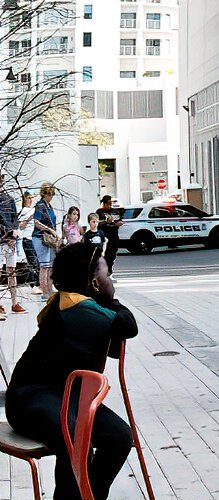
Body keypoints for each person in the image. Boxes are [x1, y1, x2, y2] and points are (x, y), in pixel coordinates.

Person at [6, 242, 137, 500]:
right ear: (92, 281)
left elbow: (112, 342)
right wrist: (110, 297)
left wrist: (105, 297)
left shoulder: (82, 303)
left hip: (67, 398)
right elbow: (128, 324)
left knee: (119, 437)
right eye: (105, 273)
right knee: (75, 438)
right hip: (31, 398)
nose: (110, 278)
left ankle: (90, 496)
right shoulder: (77, 308)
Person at [32, 183, 60, 297]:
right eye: (49, 194)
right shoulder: (40, 205)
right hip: (40, 237)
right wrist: (49, 230)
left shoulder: (49, 206)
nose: (51, 197)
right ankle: (44, 291)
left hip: (49, 239)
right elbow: (36, 222)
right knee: (44, 265)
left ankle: (49, 289)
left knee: (50, 265)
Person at [0, 180, 20, 316]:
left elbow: (15, 218)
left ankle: (15, 302)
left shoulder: (9, 199)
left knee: (11, 271)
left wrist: (13, 236)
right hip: (1, 240)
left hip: (9, 240)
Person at [95, 196, 121, 276]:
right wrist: (105, 221)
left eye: (110, 203)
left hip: (114, 236)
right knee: (105, 254)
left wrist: (118, 223)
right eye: (107, 203)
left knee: (112, 255)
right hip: (105, 236)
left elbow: (118, 221)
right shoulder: (100, 212)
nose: (109, 205)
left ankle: (109, 269)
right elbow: (97, 223)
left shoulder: (115, 211)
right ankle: (105, 271)